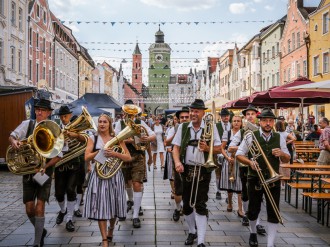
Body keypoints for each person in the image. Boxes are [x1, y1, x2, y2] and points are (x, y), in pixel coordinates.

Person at [8, 98, 60, 247]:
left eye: (42, 110)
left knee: (40, 206)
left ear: (49, 113)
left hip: (44, 173)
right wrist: (14, 142)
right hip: (29, 171)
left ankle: (37, 242)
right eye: (37, 109)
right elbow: (12, 135)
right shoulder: (28, 124)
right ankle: (40, 230)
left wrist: (46, 165)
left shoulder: (55, 129)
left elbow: (59, 155)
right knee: (29, 208)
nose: (39, 112)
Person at [236, 107, 290, 247]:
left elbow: (286, 159)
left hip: (274, 178)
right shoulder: (250, 136)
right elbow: (239, 154)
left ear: (273, 122)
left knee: (273, 210)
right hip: (255, 178)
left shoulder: (279, 137)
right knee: (253, 210)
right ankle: (253, 232)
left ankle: (270, 243)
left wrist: (282, 154)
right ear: (259, 122)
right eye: (265, 120)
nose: (267, 123)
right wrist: (250, 162)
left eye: (270, 121)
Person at [172, 99, 222, 247]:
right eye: (191, 111)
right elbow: (175, 148)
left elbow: (219, 149)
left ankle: (201, 240)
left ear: (202, 113)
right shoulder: (183, 127)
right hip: (186, 169)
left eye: (196, 111)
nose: (193, 114)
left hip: (203, 169)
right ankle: (192, 231)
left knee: (200, 204)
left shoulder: (211, 127)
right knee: (187, 205)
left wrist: (207, 148)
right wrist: (177, 162)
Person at [84, 114, 132, 247]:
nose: (102, 124)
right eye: (100, 122)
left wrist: (115, 154)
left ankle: (111, 228)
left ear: (110, 124)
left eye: (105, 122)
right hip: (99, 176)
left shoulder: (117, 139)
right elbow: (87, 157)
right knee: (101, 207)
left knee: (114, 204)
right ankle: (104, 239)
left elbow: (128, 157)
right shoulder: (92, 138)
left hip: (114, 176)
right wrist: (100, 151)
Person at [114, 100, 156, 228]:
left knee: (137, 183)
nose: (130, 115)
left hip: (138, 157)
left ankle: (135, 215)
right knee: (127, 182)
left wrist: (147, 138)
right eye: (127, 112)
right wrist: (133, 140)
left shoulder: (140, 122)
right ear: (123, 112)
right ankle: (131, 201)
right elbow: (116, 139)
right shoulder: (119, 124)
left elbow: (152, 135)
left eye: (132, 112)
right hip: (124, 157)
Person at [227, 104, 265, 233]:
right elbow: (230, 147)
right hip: (245, 165)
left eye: (252, 114)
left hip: (259, 166)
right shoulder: (241, 132)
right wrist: (244, 147)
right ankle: (247, 215)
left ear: (256, 116)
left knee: (258, 195)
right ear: (245, 117)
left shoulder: (262, 129)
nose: (250, 116)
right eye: (247, 114)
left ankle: (258, 221)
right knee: (245, 192)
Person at [54, 105, 87, 232]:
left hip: (74, 164)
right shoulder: (55, 128)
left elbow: (85, 139)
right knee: (59, 194)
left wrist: (75, 135)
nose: (63, 118)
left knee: (70, 190)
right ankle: (63, 211)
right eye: (62, 116)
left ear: (69, 115)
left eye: (65, 116)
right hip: (60, 164)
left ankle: (69, 219)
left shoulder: (76, 127)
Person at [165, 106, 190, 221]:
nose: (184, 119)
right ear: (178, 119)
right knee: (178, 187)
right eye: (182, 117)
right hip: (178, 161)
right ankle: (177, 208)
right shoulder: (174, 128)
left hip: (191, 161)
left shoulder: (195, 128)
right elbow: (167, 142)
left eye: (186, 117)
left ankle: (189, 209)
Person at [218, 115, 244, 217]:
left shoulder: (243, 133)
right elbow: (222, 148)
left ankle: (240, 209)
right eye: (234, 121)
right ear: (231, 123)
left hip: (240, 160)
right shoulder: (227, 133)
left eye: (238, 121)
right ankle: (229, 203)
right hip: (229, 160)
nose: (236, 123)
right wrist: (227, 158)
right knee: (229, 183)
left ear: (241, 123)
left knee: (239, 185)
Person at [215, 108, 232, 200]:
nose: (226, 117)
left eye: (227, 116)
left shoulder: (232, 125)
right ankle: (218, 190)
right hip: (218, 150)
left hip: (229, 151)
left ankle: (227, 193)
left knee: (229, 172)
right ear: (221, 117)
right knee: (218, 172)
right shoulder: (216, 126)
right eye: (224, 116)